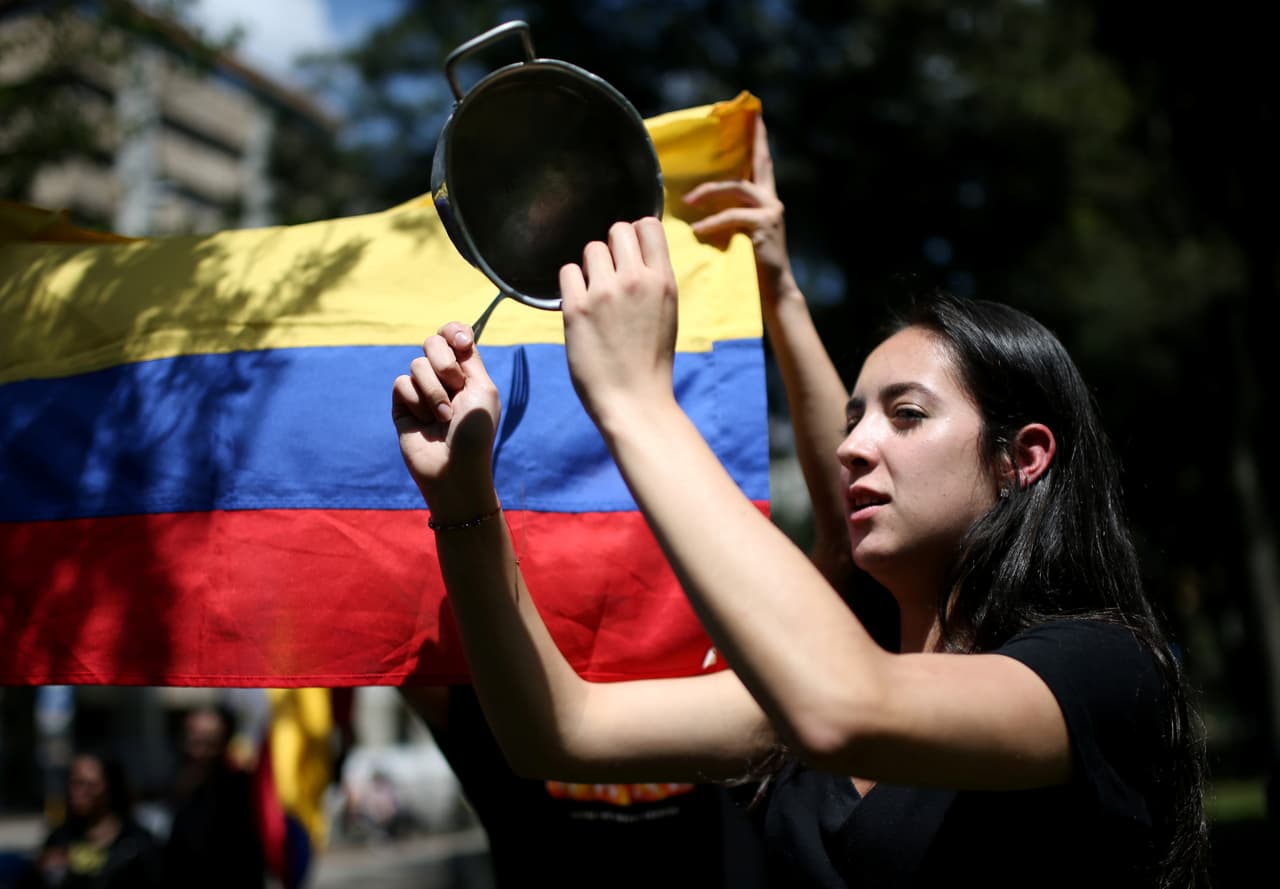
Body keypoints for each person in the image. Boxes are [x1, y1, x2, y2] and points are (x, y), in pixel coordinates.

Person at [390, 114, 1210, 887]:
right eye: (852, 420)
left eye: (907, 415)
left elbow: (847, 706)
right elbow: (559, 730)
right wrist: (463, 502)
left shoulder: (1101, 669)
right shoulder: (810, 681)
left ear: (1020, 459)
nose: (853, 446)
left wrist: (637, 401)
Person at [24, 751, 162, 889]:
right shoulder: (59, 840)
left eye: (89, 785)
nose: (78, 793)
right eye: (74, 783)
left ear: (111, 787)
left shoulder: (138, 845)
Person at [163, 705, 266, 889]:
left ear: (223, 744)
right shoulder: (175, 785)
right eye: (194, 740)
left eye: (209, 743)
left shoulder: (239, 790)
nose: (199, 751)